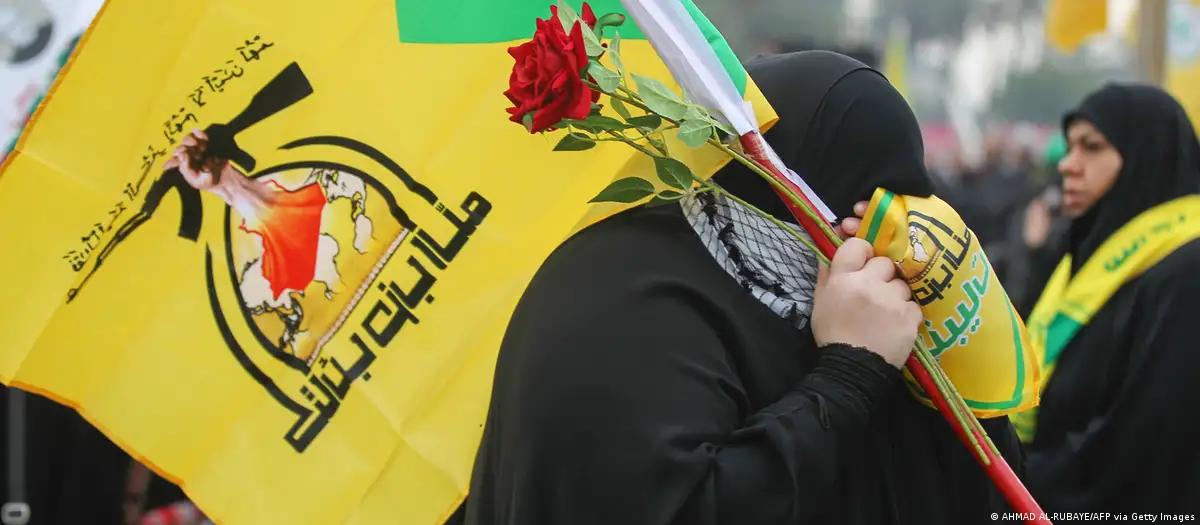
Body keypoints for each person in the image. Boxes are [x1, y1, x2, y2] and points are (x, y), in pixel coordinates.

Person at [458, 51, 1020, 525]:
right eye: (869, 204)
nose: (889, 231)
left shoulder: (862, 298)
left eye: (906, 202)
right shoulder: (619, 310)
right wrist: (850, 373)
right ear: (794, 188)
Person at [1015, 84, 1200, 513]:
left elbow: (1142, 448)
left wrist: (1018, 484)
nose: (1067, 165)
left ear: (1146, 158)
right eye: (1070, 146)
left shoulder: (1187, 272)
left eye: (1092, 147)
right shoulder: (1083, 254)